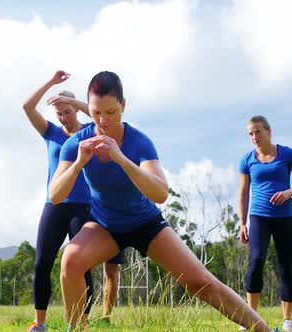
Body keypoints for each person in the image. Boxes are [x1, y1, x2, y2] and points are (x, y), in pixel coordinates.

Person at [49, 71, 277, 332]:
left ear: (123, 106)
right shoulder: (77, 143)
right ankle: (78, 329)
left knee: (201, 282)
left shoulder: (139, 141)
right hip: (104, 225)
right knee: (70, 261)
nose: (103, 121)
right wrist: (79, 162)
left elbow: (160, 193)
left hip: (146, 223)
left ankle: (266, 330)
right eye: (96, 112)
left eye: (111, 112)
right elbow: (55, 194)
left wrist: (120, 158)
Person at [23, 70, 123, 331]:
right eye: (60, 114)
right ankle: (40, 322)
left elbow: (101, 114)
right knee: (42, 262)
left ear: (77, 110)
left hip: (83, 206)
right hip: (54, 205)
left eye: (68, 112)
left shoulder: (91, 131)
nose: (64, 117)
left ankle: (83, 322)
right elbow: (27, 106)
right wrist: (51, 84)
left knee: (82, 265)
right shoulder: (51, 133)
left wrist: (73, 100)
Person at [238, 115, 292, 332]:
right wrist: (242, 223)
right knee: (257, 260)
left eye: (258, 131)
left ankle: (287, 320)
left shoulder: (287, 154)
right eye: (250, 133)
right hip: (259, 216)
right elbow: (243, 193)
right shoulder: (247, 159)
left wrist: (288, 193)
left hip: (284, 217)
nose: (254, 137)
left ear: (269, 131)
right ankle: (251, 317)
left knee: (285, 265)